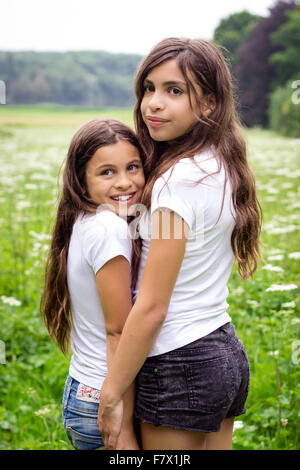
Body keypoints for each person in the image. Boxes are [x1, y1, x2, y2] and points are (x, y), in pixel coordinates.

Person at [98, 38, 262, 450]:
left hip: (180, 360)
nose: (153, 103)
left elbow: (153, 306)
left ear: (208, 103)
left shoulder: (176, 184)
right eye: (148, 88)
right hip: (223, 350)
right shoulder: (219, 164)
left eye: (174, 91)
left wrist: (111, 393)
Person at [40, 118, 145, 450]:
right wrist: (124, 425)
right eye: (107, 172)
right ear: (81, 182)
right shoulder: (108, 229)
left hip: (84, 389)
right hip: (105, 397)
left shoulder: (85, 221)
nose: (125, 182)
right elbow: (118, 332)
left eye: (133, 167)